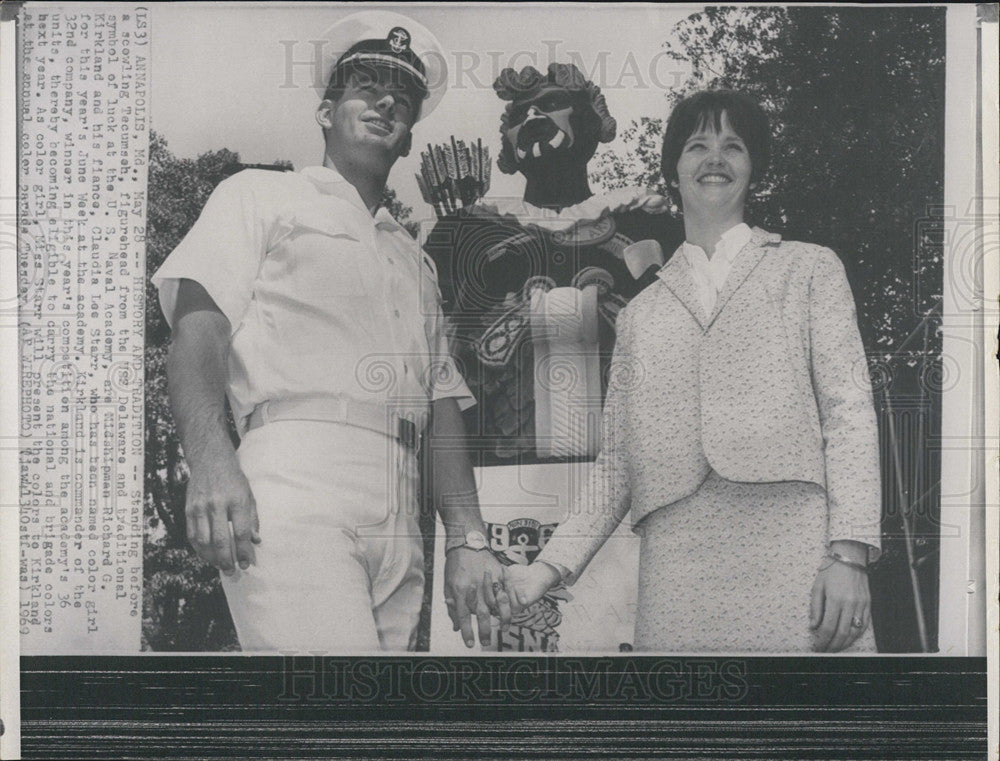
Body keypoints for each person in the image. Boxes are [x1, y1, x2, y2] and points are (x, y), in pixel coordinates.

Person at [152, 11, 507, 652]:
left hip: (402, 507)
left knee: (370, 733)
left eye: (402, 94)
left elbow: (441, 404)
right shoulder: (260, 196)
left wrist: (468, 538)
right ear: (325, 111)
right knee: (337, 713)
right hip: (295, 476)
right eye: (365, 84)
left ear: (407, 139)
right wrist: (209, 461)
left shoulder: (416, 259)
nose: (386, 99)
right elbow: (197, 333)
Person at [499, 89, 882, 653]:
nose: (715, 158)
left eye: (734, 146)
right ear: (673, 170)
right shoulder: (638, 314)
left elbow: (850, 414)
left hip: (797, 545)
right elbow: (616, 465)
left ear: (754, 170)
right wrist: (547, 568)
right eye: (697, 145)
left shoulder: (809, 269)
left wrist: (849, 554)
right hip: (676, 559)